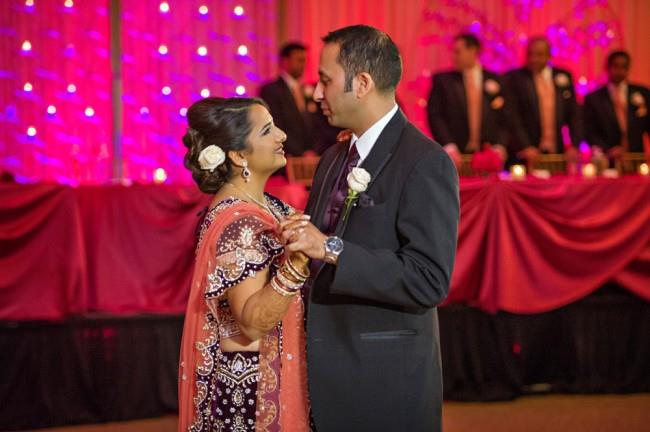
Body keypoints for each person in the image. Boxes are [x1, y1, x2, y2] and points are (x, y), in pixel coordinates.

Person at [280, 25, 460, 431]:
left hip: (382, 382)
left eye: (325, 81)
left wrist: (332, 249)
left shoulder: (425, 161)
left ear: (361, 83)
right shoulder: (333, 157)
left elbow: (429, 280)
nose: (316, 94)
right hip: (323, 374)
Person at [178, 97, 311, 431]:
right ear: (238, 156)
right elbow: (251, 322)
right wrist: (295, 264)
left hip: (264, 374)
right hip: (251, 393)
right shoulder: (240, 222)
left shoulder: (264, 205)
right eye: (267, 130)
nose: (281, 134)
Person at [427, 33, 507, 165]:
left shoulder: (496, 79)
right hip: (455, 155)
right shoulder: (443, 81)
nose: (454, 57)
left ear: (473, 50)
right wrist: (448, 145)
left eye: (458, 52)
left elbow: (505, 117)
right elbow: (435, 115)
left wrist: (499, 145)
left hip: (487, 156)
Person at [503, 36, 581, 164]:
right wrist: (525, 146)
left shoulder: (563, 76)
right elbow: (512, 116)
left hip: (557, 151)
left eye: (539, 54)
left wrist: (574, 145)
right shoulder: (514, 78)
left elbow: (574, 114)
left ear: (549, 55)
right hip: (525, 153)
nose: (533, 59)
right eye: (530, 54)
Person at [584, 50, 650, 159]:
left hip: (637, 157)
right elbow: (589, 132)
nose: (620, 71)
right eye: (616, 66)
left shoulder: (643, 93)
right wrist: (607, 150)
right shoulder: (594, 98)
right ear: (608, 67)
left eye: (624, 67)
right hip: (607, 158)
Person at [260, 43, 314, 156]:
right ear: (285, 61)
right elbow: (275, 125)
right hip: (286, 156)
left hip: (311, 157)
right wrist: (299, 153)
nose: (303, 64)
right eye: (299, 60)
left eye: (304, 60)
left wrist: (313, 151)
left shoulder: (309, 89)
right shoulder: (271, 90)